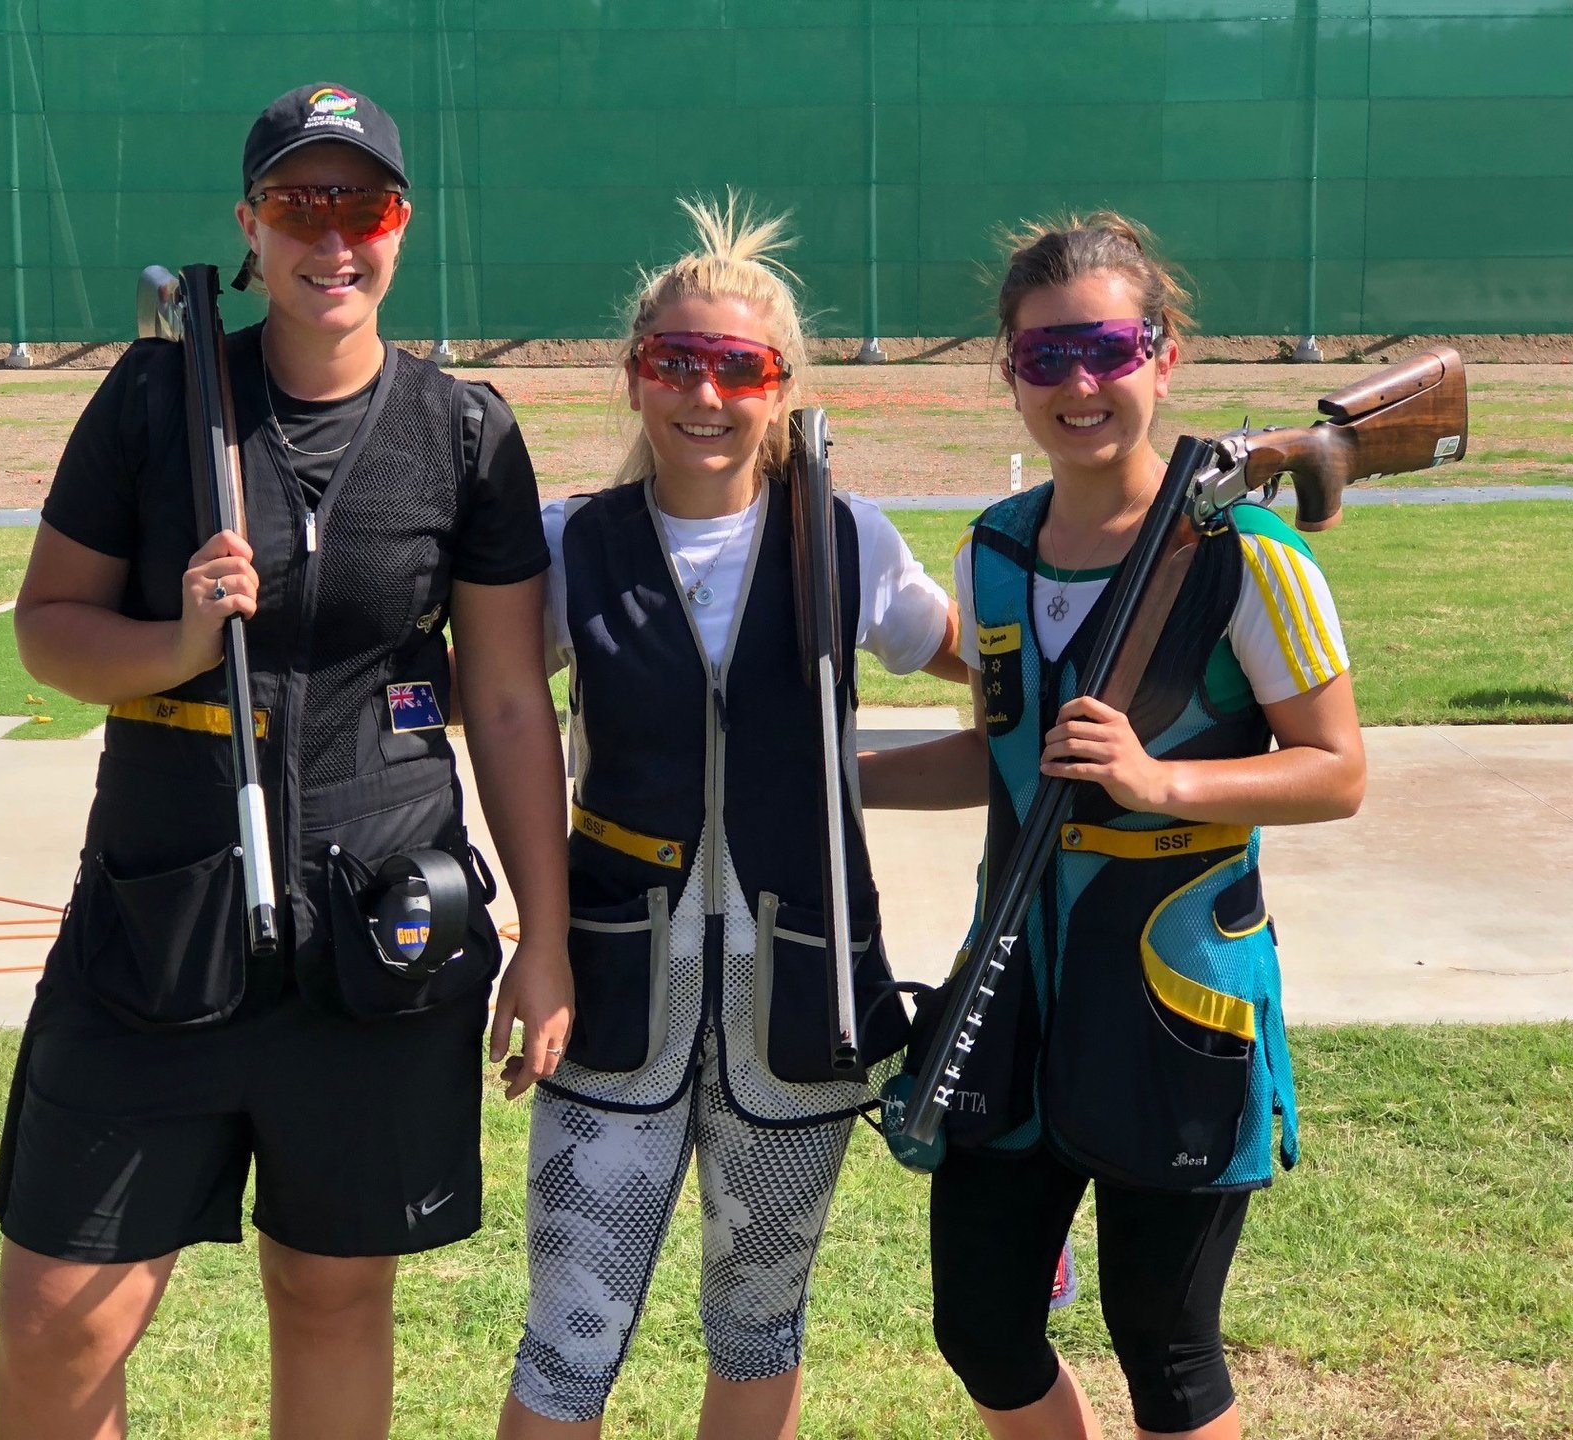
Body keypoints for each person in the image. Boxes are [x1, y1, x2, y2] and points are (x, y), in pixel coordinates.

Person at [0, 83, 571, 1440]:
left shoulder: (466, 432)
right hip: (158, 926)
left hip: (379, 931)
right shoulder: (157, 401)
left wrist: (542, 939)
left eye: (362, 205)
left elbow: (503, 702)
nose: (333, 237)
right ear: (249, 227)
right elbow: (48, 630)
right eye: (299, 205)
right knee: (64, 1311)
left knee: (331, 1291)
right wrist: (180, 641)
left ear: (402, 224)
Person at [862, 213, 1366, 1440]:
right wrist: (833, 781)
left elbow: (1337, 771)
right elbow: (1003, 761)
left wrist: (1161, 783)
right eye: (1046, 356)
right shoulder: (994, 551)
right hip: (1011, 989)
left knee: (1166, 1347)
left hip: (1174, 986)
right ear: (1010, 373)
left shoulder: (1251, 556)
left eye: (1108, 349)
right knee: (982, 1326)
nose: (1078, 384)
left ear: (1164, 356)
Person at [496, 195, 966, 1440]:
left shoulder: (848, 541)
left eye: (739, 368)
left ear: (783, 387)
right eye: (675, 362)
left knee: (761, 1325)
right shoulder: (570, 546)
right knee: (566, 1339)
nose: (705, 395)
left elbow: (999, 674)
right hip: (610, 996)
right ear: (633, 375)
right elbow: (485, 704)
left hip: (800, 1003)